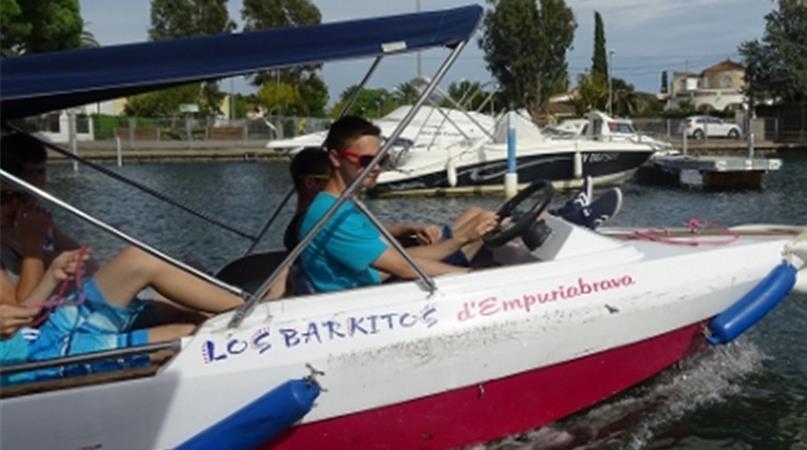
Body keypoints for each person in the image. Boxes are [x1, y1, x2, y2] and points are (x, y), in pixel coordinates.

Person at [0, 244, 286, 380]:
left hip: (43, 334)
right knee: (187, 336)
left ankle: (255, 308)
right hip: (37, 364)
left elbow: (17, 319)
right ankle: (265, 318)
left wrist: (52, 275)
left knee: (137, 260)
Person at [297, 117, 499, 292]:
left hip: (377, 284)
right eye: (367, 161)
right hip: (365, 300)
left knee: (480, 220)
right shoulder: (331, 214)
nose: (377, 168)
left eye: (382, 160)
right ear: (335, 158)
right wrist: (473, 274)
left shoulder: (341, 206)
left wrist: (462, 243)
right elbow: (405, 267)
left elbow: (399, 260)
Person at [283, 147, 444, 252]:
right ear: (310, 183)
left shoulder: (327, 219)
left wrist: (412, 229)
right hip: (379, 282)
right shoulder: (316, 224)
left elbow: (369, 231)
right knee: (466, 230)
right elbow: (384, 265)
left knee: (468, 219)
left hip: (393, 266)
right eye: (335, 179)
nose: (346, 184)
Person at [0, 132, 91, 300]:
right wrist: (32, 247)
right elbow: (18, 314)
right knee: (140, 261)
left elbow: (90, 266)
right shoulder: (28, 233)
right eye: (5, 198)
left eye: (24, 198)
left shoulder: (37, 223)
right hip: (48, 320)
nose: (16, 206)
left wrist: (42, 252)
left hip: (71, 305)